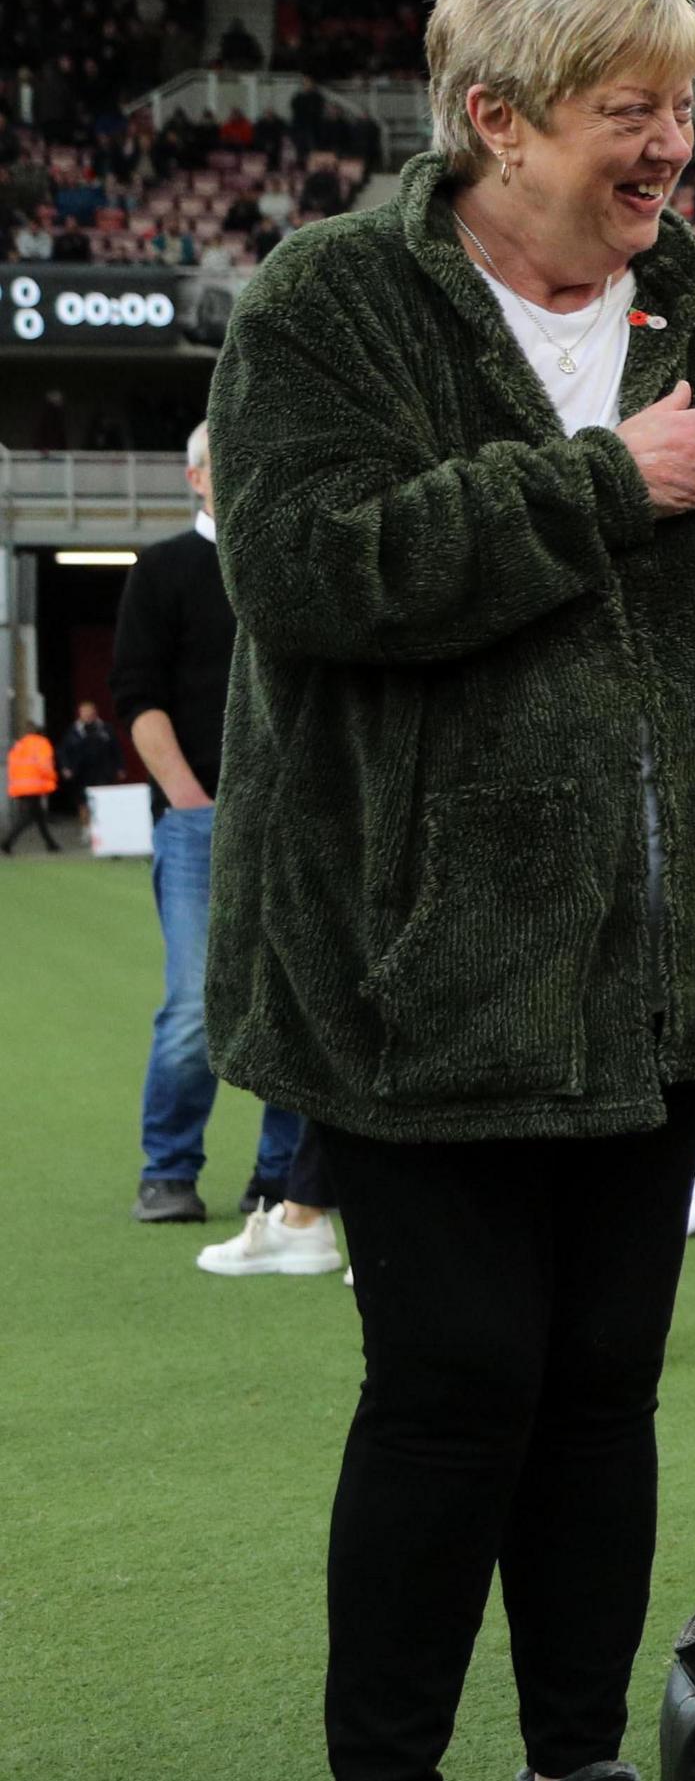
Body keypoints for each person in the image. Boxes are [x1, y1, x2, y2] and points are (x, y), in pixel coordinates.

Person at [205, 0, 695, 1781]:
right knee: (455, 1384)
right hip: (421, 976)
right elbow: (306, 573)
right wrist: (599, 481)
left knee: (599, 1392)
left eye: (677, 109)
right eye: (622, 112)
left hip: (660, 983)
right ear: (492, 116)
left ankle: (579, 1778)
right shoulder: (327, 300)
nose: (666, 150)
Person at [110, 421, 310, 1230]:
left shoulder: (294, 560)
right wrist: (193, 802)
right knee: (195, 1004)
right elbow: (137, 695)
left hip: (301, 818)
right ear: (196, 478)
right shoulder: (161, 571)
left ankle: (277, 1177)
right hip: (203, 821)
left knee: (299, 1003)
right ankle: (167, 1169)